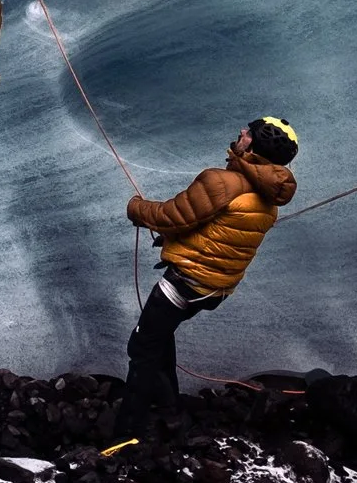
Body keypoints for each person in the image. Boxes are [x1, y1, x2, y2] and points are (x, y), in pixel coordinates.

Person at [111, 116, 300, 436]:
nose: (241, 132)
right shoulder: (269, 201)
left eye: (248, 131)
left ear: (255, 143)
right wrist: (175, 239)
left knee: (142, 348)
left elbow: (171, 215)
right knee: (160, 334)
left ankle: (126, 435)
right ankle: (168, 410)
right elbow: (218, 233)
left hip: (184, 283)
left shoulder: (221, 182)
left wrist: (136, 209)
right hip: (214, 289)